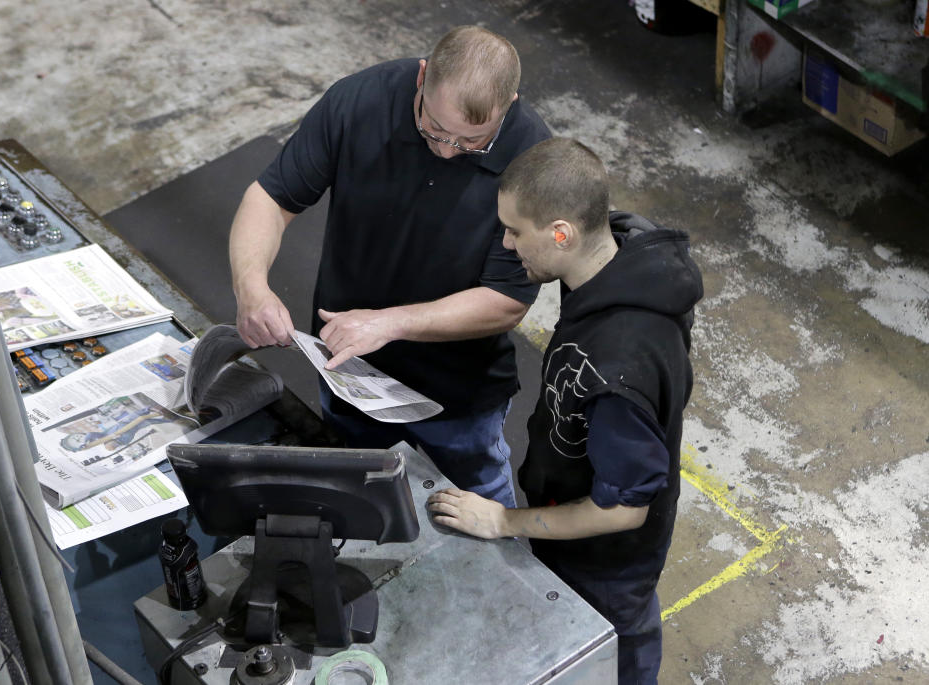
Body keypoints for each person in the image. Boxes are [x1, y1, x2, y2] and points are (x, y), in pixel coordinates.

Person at [228, 26, 551, 507]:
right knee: (361, 501)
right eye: (434, 130)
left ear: (510, 103)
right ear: (422, 78)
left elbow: (505, 301)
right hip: (349, 373)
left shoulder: (534, 160)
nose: (446, 150)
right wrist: (251, 287)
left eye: (470, 142)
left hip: (457, 396)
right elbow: (271, 198)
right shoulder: (360, 102)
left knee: (477, 504)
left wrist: (390, 323)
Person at [426, 137, 703, 684]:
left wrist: (503, 521)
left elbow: (623, 509)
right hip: (585, 512)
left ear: (561, 233)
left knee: (613, 648)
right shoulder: (618, 253)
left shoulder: (616, 370)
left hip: (605, 560)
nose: (506, 245)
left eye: (515, 231)